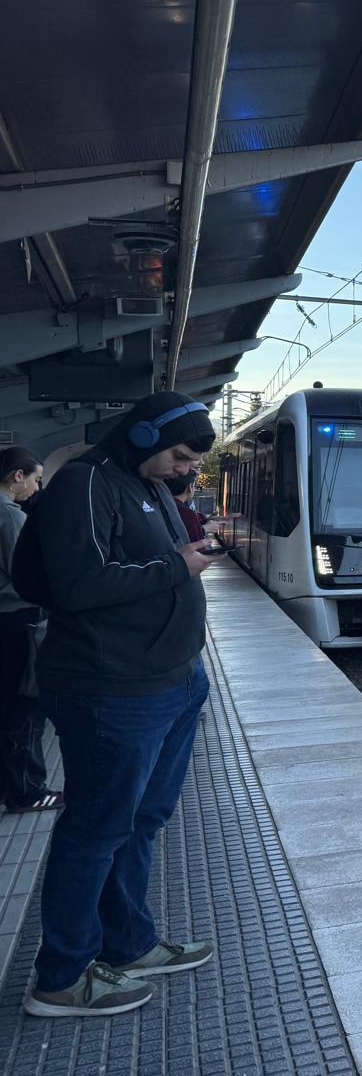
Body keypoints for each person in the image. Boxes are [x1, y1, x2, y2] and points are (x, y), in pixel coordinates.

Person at [17, 394, 221, 1017]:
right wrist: (180, 565)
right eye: (180, 455)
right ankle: (60, 978)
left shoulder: (146, 484)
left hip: (171, 681)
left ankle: (128, 944)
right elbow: (80, 586)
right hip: (111, 690)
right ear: (141, 435)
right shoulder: (83, 484)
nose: (186, 469)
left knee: (142, 821)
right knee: (95, 830)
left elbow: (148, 561)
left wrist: (184, 558)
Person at [0, 447, 58, 814]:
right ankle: (28, 790)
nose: (37, 488)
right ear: (17, 476)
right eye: (36, 478)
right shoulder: (9, 517)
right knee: (23, 708)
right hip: (16, 620)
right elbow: (26, 574)